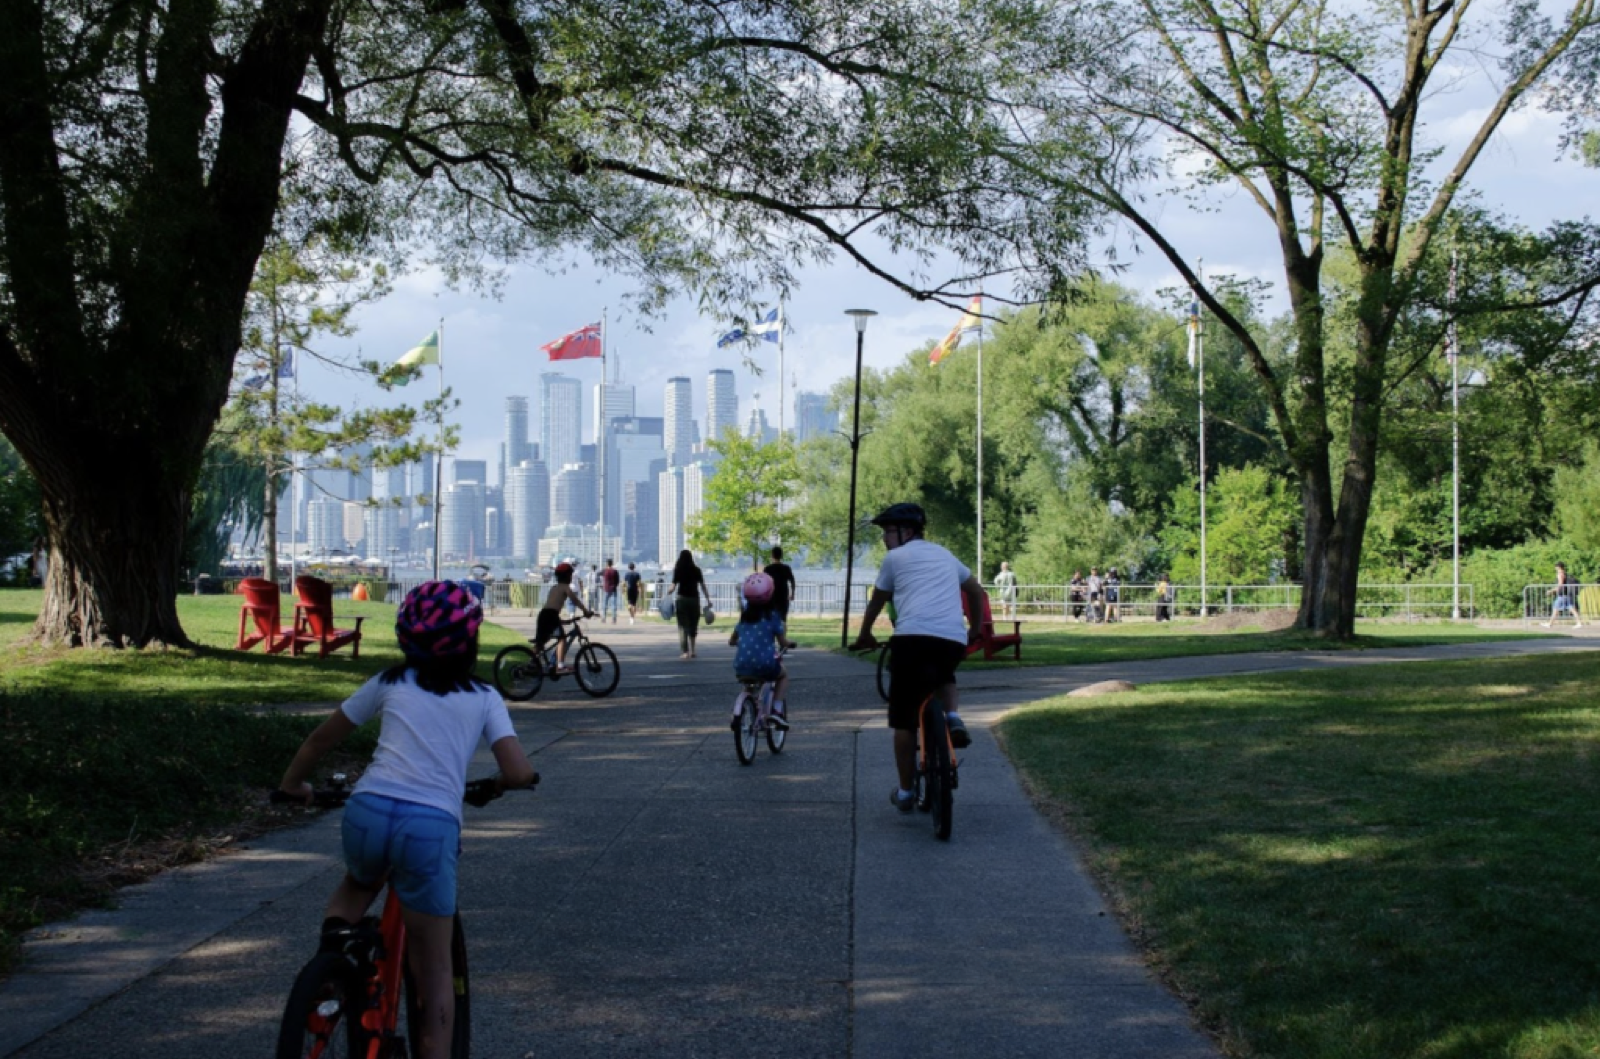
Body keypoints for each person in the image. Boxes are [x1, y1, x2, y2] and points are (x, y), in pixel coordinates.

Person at [277, 581, 536, 1059]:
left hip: (368, 812)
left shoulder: (389, 683)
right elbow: (517, 771)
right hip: (429, 828)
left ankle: (333, 968)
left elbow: (319, 740)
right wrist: (505, 783)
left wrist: (293, 786)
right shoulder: (483, 697)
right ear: (470, 641)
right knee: (434, 969)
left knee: (356, 885)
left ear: (405, 638)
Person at [848, 503, 983, 815]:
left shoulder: (895, 559)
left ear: (906, 531)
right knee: (944, 675)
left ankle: (906, 792)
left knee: (905, 720)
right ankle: (952, 717)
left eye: (888, 532)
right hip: (951, 639)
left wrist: (864, 634)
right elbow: (976, 591)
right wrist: (974, 630)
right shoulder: (946, 554)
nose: (884, 539)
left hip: (911, 640)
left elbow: (878, 601)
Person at [728, 572, 797, 729]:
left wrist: (735, 642)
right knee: (783, 676)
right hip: (765, 664)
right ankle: (777, 711)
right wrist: (790, 643)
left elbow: (733, 639)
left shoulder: (744, 617)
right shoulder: (773, 616)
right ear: (770, 594)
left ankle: (738, 714)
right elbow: (782, 641)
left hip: (741, 665)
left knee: (749, 683)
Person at [538, 563, 595, 672]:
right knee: (562, 638)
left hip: (544, 614)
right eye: (570, 575)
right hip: (551, 614)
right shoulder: (565, 587)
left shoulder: (554, 587)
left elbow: (552, 604)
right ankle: (560, 666)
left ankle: (529, 664)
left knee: (540, 644)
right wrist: (585, 611)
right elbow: (575, 600)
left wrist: (561, 621)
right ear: (566, 576)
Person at [669, 549, 715, 659]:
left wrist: (667, 593)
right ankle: (693, 650)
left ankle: (685, 651)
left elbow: (673, 586)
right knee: (693, 625)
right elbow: (703, 586)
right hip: (694, 599)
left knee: (683, 626)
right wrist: (708, 599)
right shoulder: (696, 570)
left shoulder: (678, 569)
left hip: (682, 599)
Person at [1544, 562, 1584, 628]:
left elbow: (1560, 584)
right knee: (1572, 609)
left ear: (1558, 567)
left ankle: (1549, 624)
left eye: (1556, 567)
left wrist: (1551, 591)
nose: (1555, 568)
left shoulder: (1560, 574)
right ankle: (1579, 623)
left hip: (1562, 595)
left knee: (1555, 608)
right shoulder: (1565, 573)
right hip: (1566, 594)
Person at [764, 545, 798, 620]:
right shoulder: (786, 568)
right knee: (783, 619)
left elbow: (764, 584)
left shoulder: (768, 569)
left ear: (772, 555)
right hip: (783, 597)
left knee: (771, 619)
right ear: (781, 556)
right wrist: (792, 594)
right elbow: (792, 581)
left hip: (771, 598)